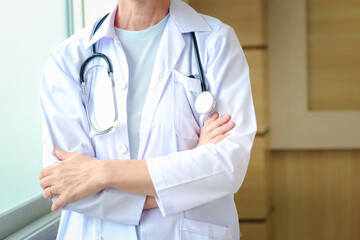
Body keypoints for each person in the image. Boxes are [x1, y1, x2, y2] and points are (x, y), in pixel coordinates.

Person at [38, 0, 256, 239]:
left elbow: (226, 167)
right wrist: (185, 182)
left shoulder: (215, 42)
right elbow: (63, 185)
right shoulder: (67, 58)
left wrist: (101, 172)